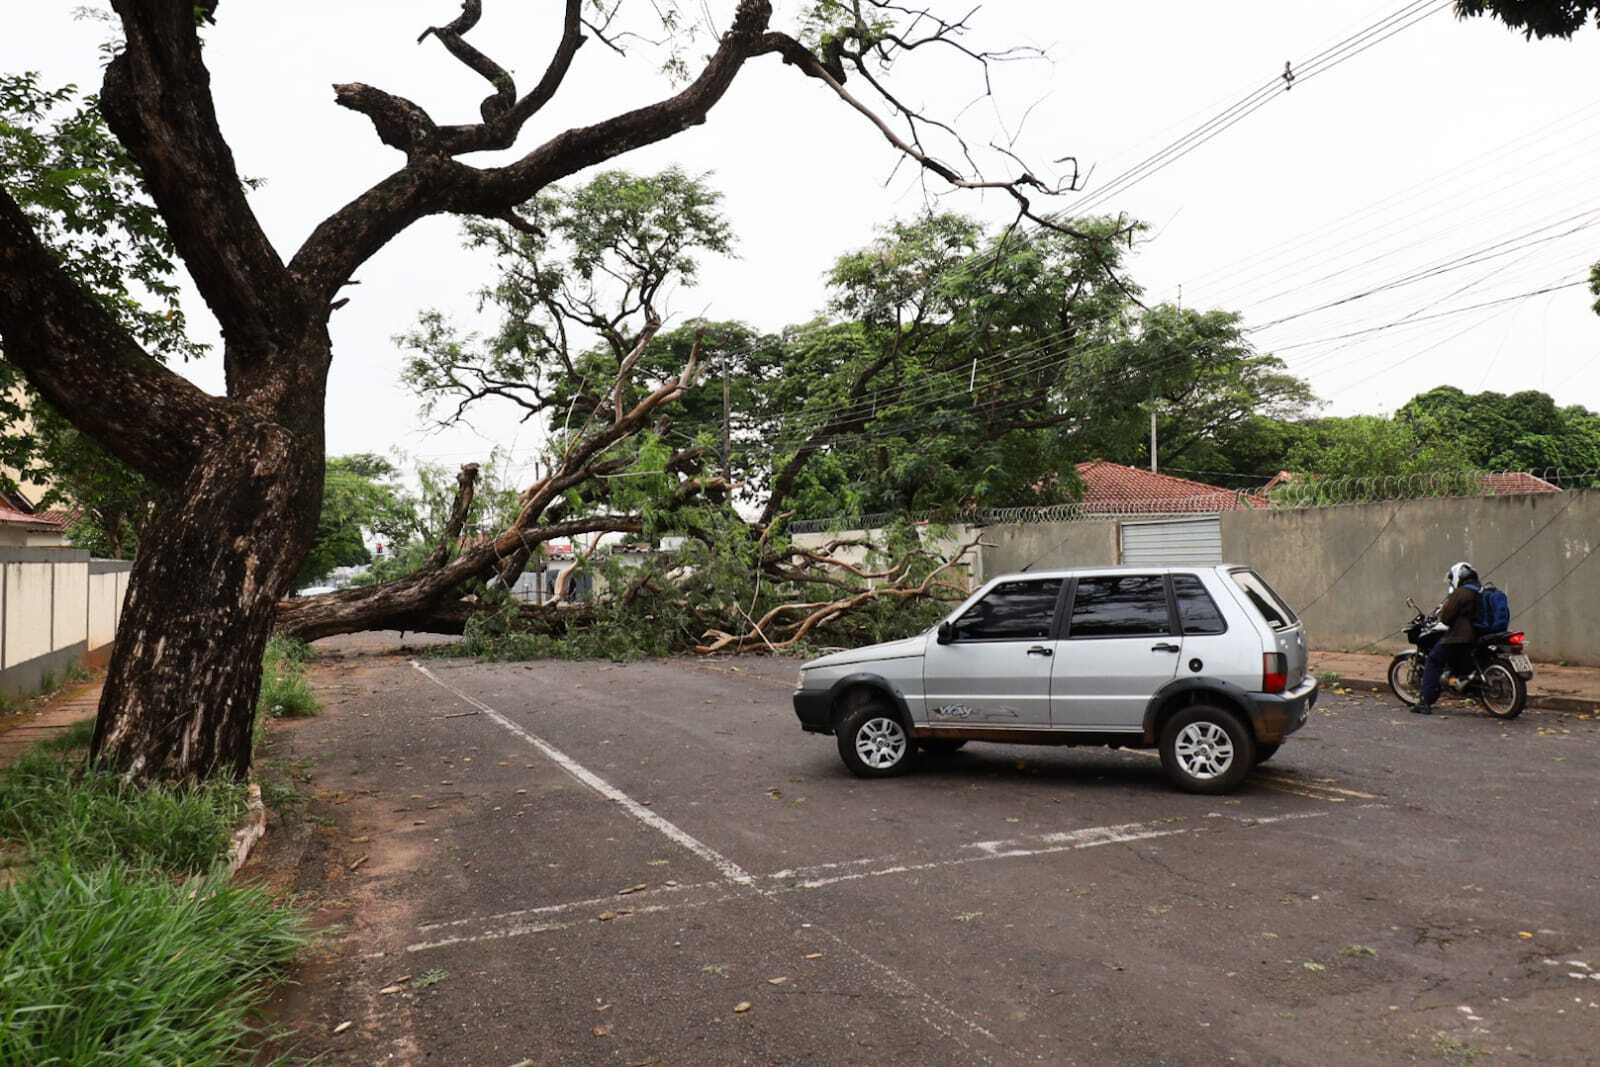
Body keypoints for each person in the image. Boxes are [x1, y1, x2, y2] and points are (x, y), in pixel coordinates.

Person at [1414, 561, 1480, 715]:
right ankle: (1460, 682)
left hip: (1459, 636)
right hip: (1477, 636)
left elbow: (1446, 618)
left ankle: (1425, 702)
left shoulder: (1460, 593)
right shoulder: (1481, 590)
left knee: (1434, 659)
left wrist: (1444, 613)